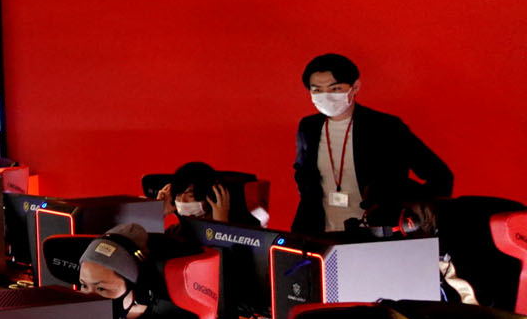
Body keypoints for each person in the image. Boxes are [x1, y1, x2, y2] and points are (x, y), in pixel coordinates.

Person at [292, 53, 452, 234]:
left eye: (335, 89)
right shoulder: (309, 127)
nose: (326, 97)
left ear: (355, 87)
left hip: (376, 233)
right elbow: (303, 173)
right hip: (319, 231)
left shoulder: (386, 127)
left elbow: (441, 176)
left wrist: (419, 215)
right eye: (317, 90)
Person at [156, 161, 257, 226]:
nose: (182, 201)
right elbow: (150, 248)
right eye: (178, 195)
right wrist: (158, 213)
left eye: (190, 195)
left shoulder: (241, 232)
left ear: (211, 195)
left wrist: (221, 226)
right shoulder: (177, 231)